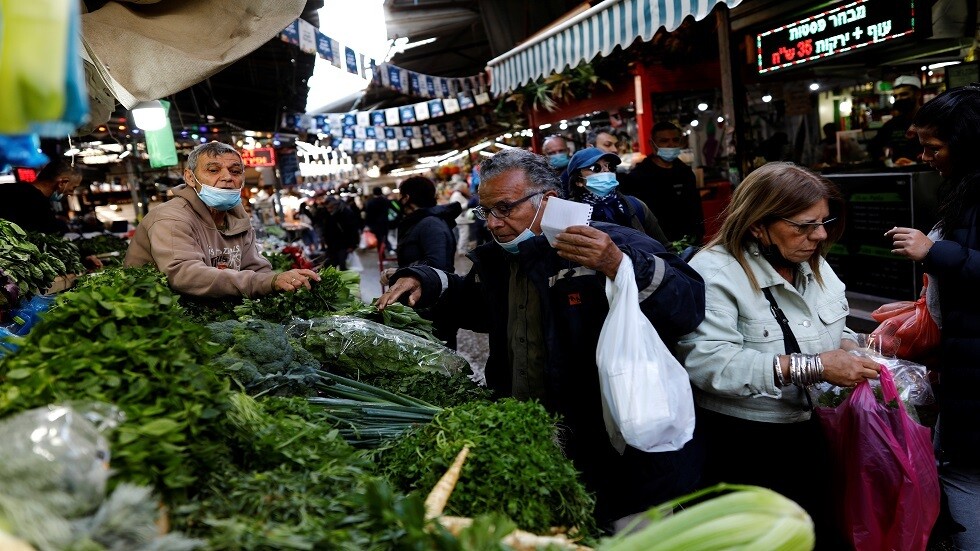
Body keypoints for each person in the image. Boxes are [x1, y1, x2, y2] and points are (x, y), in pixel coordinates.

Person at [376, 148, 706, 530]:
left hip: (618, 455)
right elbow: (477, 305)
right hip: (543, 447)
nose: (494, 223)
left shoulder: (605, 242)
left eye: (505, 208)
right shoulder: (501, 260)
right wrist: (426, 280)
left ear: (547, 201)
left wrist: (621, 265)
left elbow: (689, 305)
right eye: (486, 212)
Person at [676, 161, 882, 548]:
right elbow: (708, 362)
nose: (818, 236)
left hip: (810, 428)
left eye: (823, 222)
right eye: (804, 225)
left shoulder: (809, 259)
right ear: (758, 224)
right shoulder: (714, 272)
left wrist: (855, 347)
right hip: (743, 441)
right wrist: (816, 366)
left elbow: (824, 326)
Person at [885, 85, 980, 550]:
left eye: (933, 146)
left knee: (964, 482)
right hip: (965, 366)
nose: (924, 156)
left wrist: (935, 251)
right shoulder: (965, 189)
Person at [125, 141, 319, 297]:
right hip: (162, 316)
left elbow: (255, 268)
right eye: (213, 170)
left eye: (235, 171)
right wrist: (264, 282)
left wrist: (280, 280)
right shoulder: (171, 218)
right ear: (190, 178)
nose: (227, 177)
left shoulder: (237, 219)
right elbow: (184, 274)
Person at [383, 175, 461, 348]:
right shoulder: (421, 221)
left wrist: (400, 272)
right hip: (423, 304)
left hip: (436, 307)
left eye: (401, 196)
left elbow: (438, 264)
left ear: (407, 197)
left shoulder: (430, 224)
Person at [561, 147, 668, 244]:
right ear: (578, 181)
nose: (606, 170)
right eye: (595, 168)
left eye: (610, 166)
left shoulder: (635, 206)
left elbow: (665, 248)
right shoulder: (569, 214)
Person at [624, 121, 704, 245]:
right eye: (664, 141)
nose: (671, 145)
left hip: (690, 243)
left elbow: (696, 208)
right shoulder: (638, 177)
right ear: (652, 144)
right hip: (656, 246)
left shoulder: (685, 172)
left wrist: (698, 235)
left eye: (675, 140)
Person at [0, 158, 81, 234]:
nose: (71, 193)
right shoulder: (41, 208)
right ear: (62, 183)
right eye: (73, 188)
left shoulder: (7, 189)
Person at [867, 75, 923, 166]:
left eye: (904, 94)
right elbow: (873, 146)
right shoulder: (892, 124)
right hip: (897, 173)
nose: (899, 99)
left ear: (917, 94)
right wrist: (883, 158)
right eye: (896, 96)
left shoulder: (931, 119)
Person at [315, 194, 361, 270]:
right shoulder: (328, 214)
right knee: (331, 265)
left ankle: (345, 280)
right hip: (332, 245)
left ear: (335, 205)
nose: (329, 210)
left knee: (343, 266)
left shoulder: (345, 213)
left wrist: (352, 245)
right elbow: (325, 228)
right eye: (327, 208)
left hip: (343, 244)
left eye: (330, 207)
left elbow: (353, 230)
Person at [364, 186, 394, 253]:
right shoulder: (386, 201)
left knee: (379, 239)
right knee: (385, 237)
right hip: (385, 222)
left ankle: (382, 255)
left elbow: (368, 215)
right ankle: (390, 249)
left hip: (375, 224)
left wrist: (367, 224)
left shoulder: (371, 202)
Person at [448, 179, 473, 255]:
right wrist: (468, 204)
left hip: (461, 218)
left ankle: (464, 248)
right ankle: (462, 250)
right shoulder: (457, 195)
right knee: (464, 234)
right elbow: (457, 207)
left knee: (464, 234)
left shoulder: (458, 194)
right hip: (461, 219)